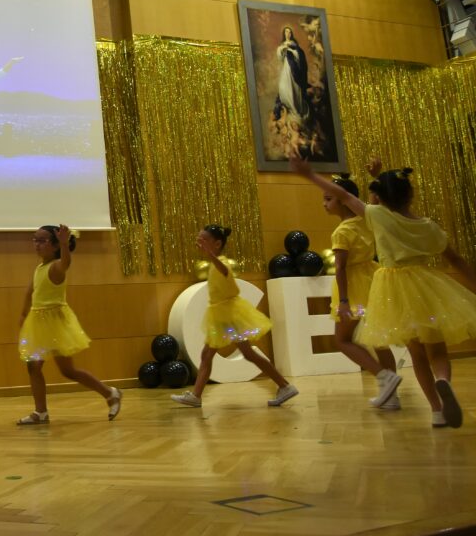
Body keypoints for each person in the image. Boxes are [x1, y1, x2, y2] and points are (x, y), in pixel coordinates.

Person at [291, 155, 476, 428]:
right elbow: (456, 260)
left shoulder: (376, 217)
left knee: (416, 351)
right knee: (436, 349)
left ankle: (437, 410)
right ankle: (443, 381)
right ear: (410, 195)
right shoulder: (429, 227)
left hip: (395, 286)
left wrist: (309, 174)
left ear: (378, 197)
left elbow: (343, 194)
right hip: (427, 286)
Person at [172, 225, 298, 408]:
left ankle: (285, 385)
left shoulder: (223, 262)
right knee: (211, 355)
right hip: (221, 316)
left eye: (203, 240)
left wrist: (212, 256)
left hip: (230, 315)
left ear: (217, 244)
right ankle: (196, 396)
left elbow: (224, 270)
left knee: (242, 354)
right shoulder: (214, 263)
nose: (199, 243)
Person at [16, 224, 121, 425]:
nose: (36, 244)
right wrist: (23, 317)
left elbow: (66, 263)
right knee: (33, 366)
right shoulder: (39, 268)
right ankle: (41, 412)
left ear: (55, 246)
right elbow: (30, 293)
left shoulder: (56, 266)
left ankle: (110, 392)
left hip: (55, 323)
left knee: (67, 371)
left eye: (42, 241)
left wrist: (65, 245)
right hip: (38, 323)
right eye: (34, 239)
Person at [319, 171, 402, 408]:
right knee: (379, 341)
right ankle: (391, 396)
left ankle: (384, 377)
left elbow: (341, 268)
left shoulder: (342, 231)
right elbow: (375, 202)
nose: (324, 204)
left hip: (354, 286)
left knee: (342, 339)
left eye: (328, 199)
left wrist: (344, 300)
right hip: (373, 281)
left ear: (343, 200)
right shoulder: (367, 220)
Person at [273, 26, 310, 123]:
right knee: (283, 87)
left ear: (291, 34)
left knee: (294, 87)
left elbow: (299, 56)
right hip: (286, 67)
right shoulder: (283, 44)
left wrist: (290, 51)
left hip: (294, 70)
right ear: (284, 34)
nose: (287, 34)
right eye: (286, 32)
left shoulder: (294, 45)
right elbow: (280, 57)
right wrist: (282, 49)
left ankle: (295, 109)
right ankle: (289, 108)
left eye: (289, 32)